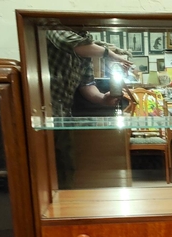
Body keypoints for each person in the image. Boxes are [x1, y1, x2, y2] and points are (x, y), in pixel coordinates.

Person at [46, 29, 134, 187]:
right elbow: (75, 44)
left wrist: (102, 99)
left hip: (64, 114)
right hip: (44, 112)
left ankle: (66, 201)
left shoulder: (85, 44)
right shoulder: (54, 30)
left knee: (66, 163)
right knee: (47, 167)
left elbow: (86, 84)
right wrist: (111, 55)